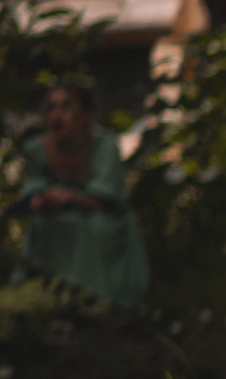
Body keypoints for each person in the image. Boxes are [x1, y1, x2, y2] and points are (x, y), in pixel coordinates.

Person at [9, 79, 149, 308]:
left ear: (85, 114)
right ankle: (47, 298)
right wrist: (41, 200)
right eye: (51, 107)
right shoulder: (36, 149)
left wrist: (71, 197)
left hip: (104, 216)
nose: (57, 115)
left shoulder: (105, 145)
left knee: (97, 228)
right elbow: (33, 191)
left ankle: (100, 301)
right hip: (58, 215)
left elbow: (107, 196)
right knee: (44, 225)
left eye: (66, 106)